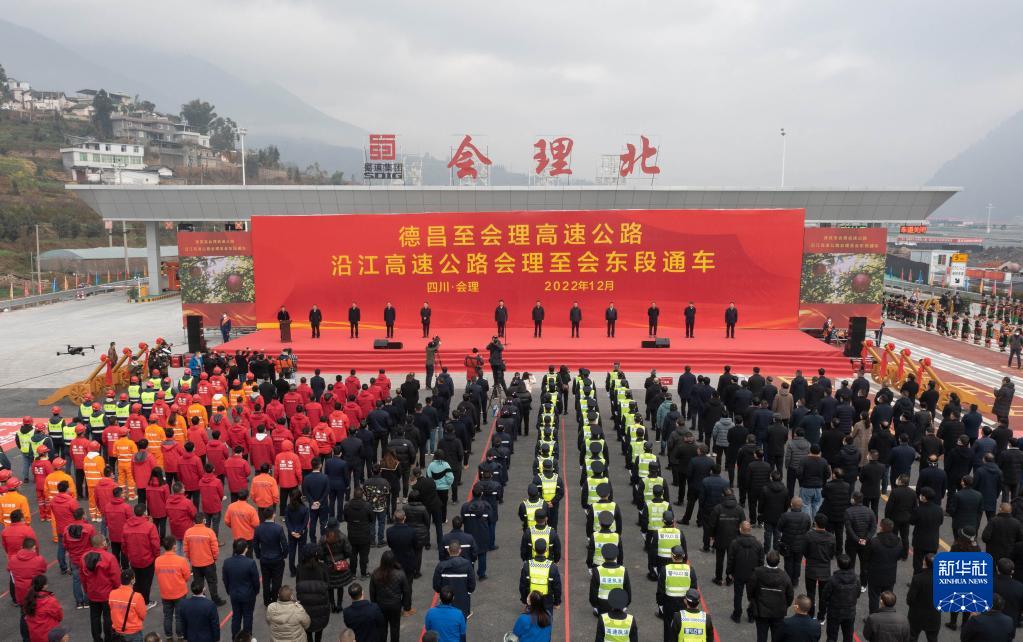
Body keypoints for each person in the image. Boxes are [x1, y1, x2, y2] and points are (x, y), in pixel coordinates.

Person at [748, 550, 793, 642]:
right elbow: (790, 595)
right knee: (776, 637)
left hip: (761, 611)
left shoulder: (757, 572)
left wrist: (753, 601)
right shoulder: (785, 576)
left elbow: (750, 589)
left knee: (761, 636)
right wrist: (785, 606)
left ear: (766, 560)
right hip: (778, 612)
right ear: (779, 562)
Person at [370, 550, 413, 642]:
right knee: (395, 628)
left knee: (382, 628)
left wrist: (373, 605)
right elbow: (406, 591)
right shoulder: (400, 574)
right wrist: (406, 606)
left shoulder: (376, 573)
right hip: (395, 605)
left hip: (380, 605)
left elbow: (372, 591)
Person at [184, 512, 226, 605]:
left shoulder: (188, 532)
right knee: (212, 582)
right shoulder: (209, 532)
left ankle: (200, 600)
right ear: (203, 520)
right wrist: (214, 558)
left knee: (198, 583)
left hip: (195, 563)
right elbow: (215, 548)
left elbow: (186, 549)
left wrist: (190, 558)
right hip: (208, 563)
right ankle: (215, 600)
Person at [223, 538, 260, 637]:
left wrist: (229, 591)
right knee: (248, 616)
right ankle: (247, 637)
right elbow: (255, 581)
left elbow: (225, 580)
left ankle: (235, 637)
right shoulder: (250, 563)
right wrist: (255, 592)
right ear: (245, 549)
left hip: (234, 594)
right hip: (248, 595)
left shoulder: (227, 562)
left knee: (236, 616)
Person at [254, 506, 289, 606]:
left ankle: (266, 601)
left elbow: (255, 544)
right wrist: (284, 555)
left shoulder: (258, 529)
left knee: (266, 581)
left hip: (264, 558)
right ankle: (275, 600)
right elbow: (284, 544)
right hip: (277, 559)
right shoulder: (278, 528)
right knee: (277, 581)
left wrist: (259, 555)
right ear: (273, 515)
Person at [296, 543, 331, 642]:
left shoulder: (300, 568)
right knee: (319, 628)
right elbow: (328, 584)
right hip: (320, 603)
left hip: (305, 604)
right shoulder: (323, 567)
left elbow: (298, 584)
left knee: (307, 629)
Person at [433, 540, 476, 617]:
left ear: (448, 550)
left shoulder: (441, 566)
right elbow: (472, 584)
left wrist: (442, 593)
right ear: (460, 551)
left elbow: (436, 585)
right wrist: (467, 593)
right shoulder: (467, 564)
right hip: (462, 599)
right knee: (462, 619)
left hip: (446, 600)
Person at [906, 553, 939, 642]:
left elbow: (910, 599)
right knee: (932, 638)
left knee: (912, 637)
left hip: (916, 615)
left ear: (925, 563)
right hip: (934, 616)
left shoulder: (917, 578)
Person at [109, 568, 148, 642]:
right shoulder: (137, 597)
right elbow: (142, 615)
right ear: (132, 580)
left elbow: (112, 609)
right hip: (133, 632)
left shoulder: (112, 594)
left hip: (118, 632)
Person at [22, 575, 63, 642]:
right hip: (49, 635)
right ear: (44, 586)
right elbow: (60, 616)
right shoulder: (49, 601)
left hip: (35, 635)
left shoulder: (28, 599)